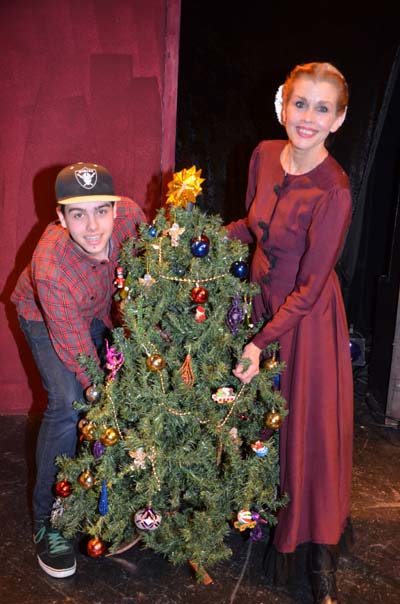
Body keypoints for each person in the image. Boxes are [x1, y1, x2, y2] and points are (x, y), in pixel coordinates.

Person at [226, 62, 353, 604]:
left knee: (308, 433)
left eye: (322, 108)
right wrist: (197, 234)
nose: (307, 117)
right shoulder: (261, 153)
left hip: (305, 323)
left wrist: (259, 342)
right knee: (262, 428)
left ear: (338, 120)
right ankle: (258, 511)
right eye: (300, 103)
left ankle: (315, 548)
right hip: (258, 305)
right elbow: (252, 225)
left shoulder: (335, 190)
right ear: (284, 105)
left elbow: (310, 284)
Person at [11, 162, 146, 578]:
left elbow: (148, 280)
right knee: (70, 402)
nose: (92, 227)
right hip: (46, 314)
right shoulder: (51, 268)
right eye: (77, 214)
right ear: (60, 217)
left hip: (98, 308)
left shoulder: (132, 218)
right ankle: (47, 521)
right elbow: (79, 358)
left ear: (115, 208)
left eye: (100, 211)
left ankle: (103, 495)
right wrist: (105, 397)